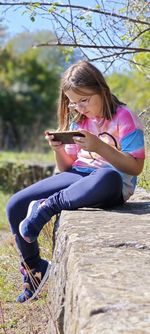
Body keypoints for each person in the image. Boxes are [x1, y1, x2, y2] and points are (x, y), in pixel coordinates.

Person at [6, 60, 145, 303]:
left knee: (107, 175)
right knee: (15, 204)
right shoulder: (78, 120)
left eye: (85, 100)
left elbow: (135, 167)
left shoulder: (125, 117)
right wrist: (58, 149)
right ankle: (34, 269)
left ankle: (48, 206)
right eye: (73, 102)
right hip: (79, 175)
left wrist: (99, 146)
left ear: (101, 90)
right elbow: (67, 168)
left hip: (111, 182)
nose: (79, 107)